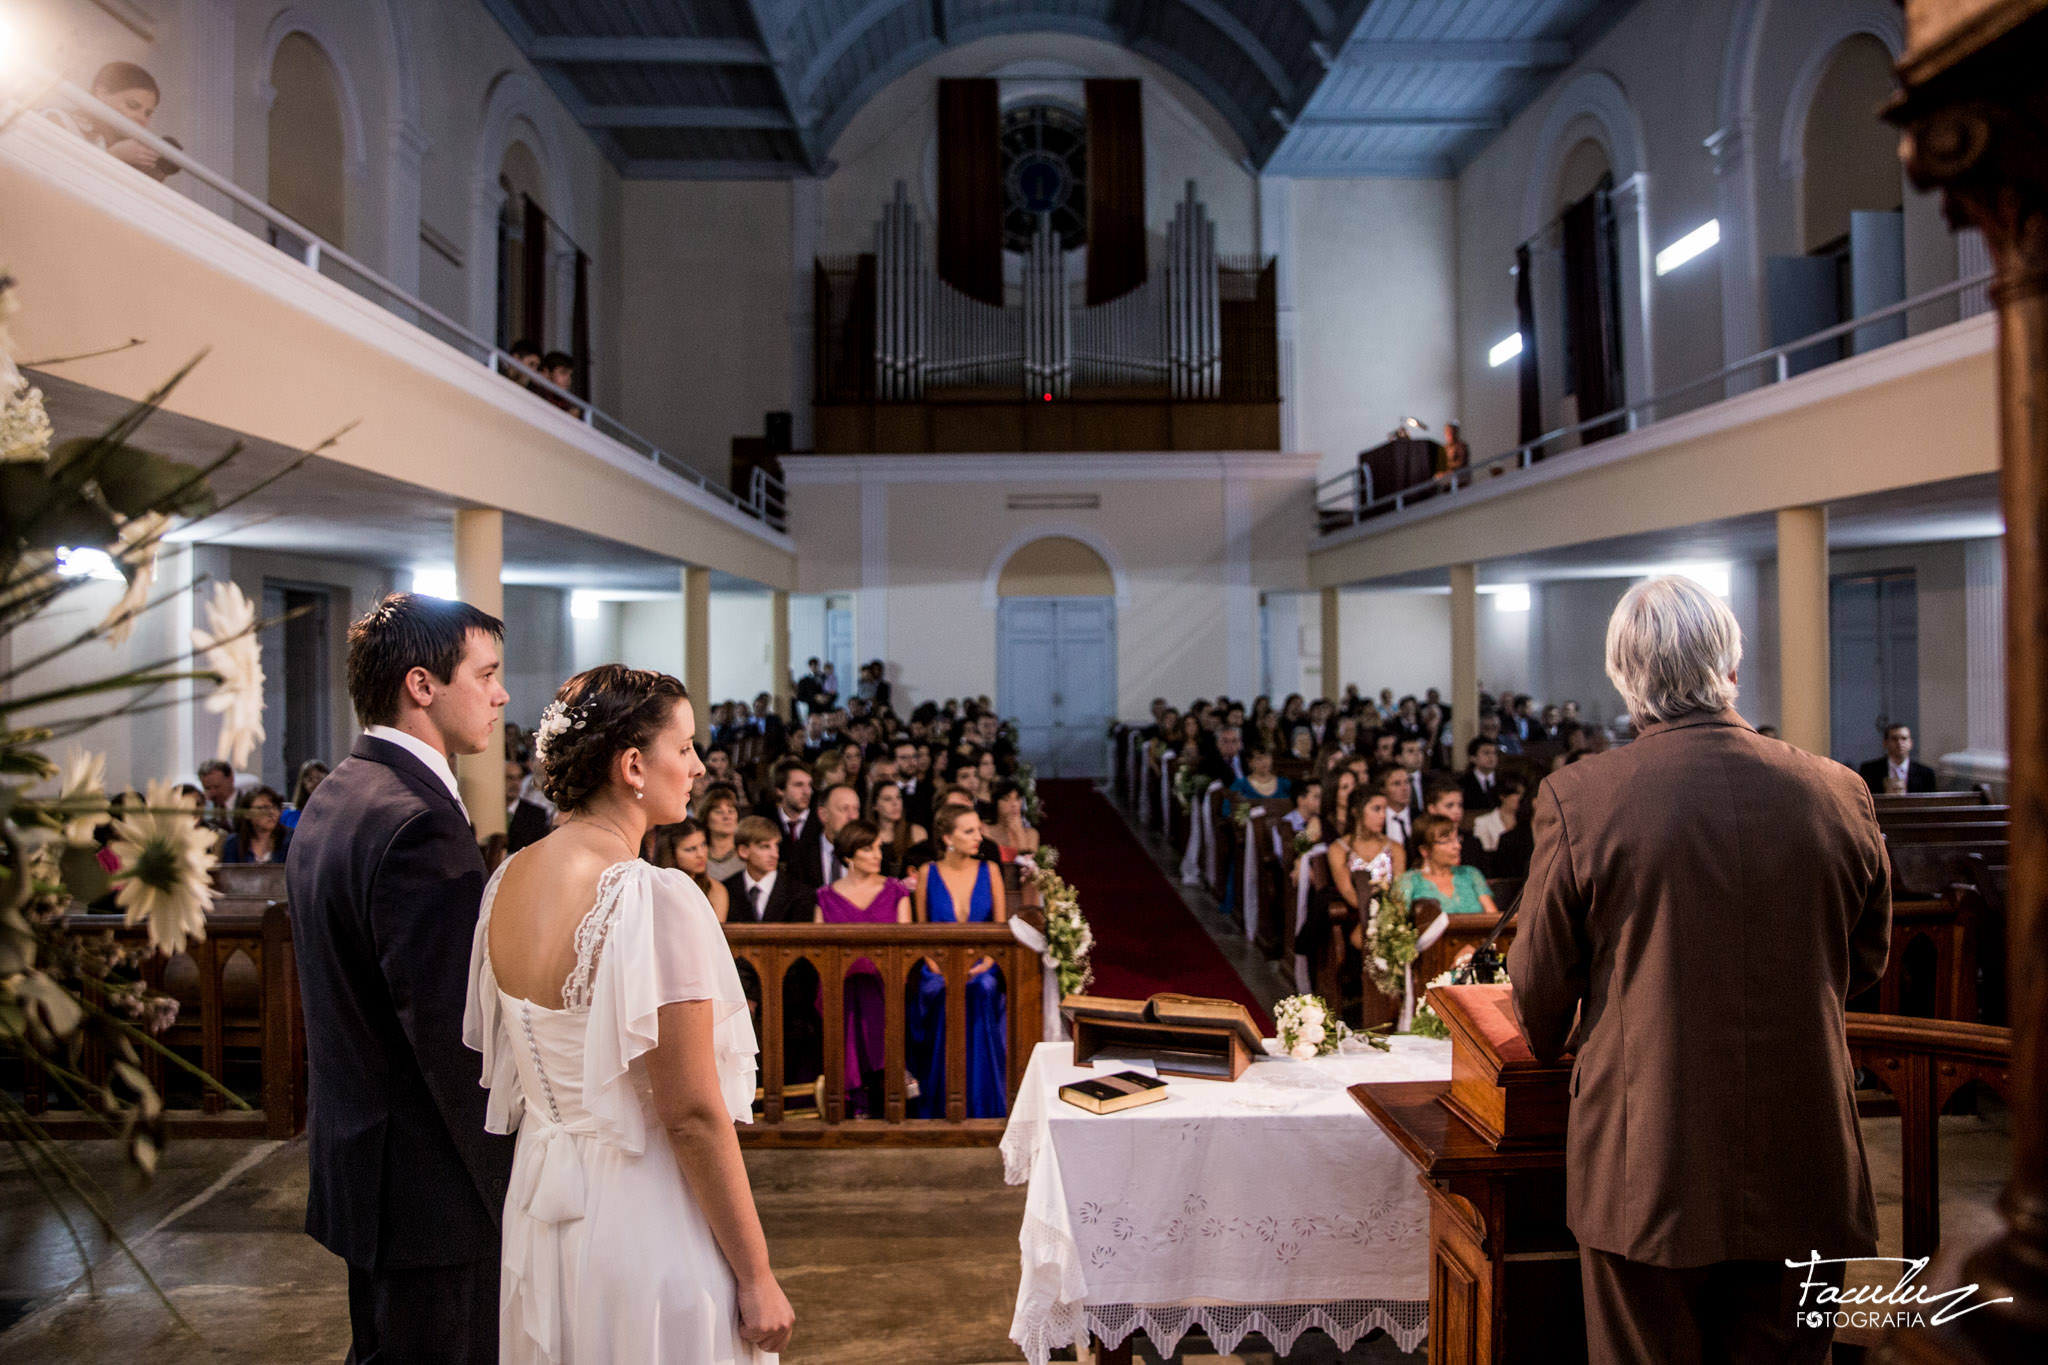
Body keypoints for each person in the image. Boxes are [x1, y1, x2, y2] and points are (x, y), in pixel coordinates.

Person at [1509, 576, 1890, 1365]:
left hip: (1648, 1157)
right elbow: (1865, 962)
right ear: (1733, 669)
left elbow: (1541, 994)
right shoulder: (1840, 791)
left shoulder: (1583, 797)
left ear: (1624, 679)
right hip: (1804, 1146)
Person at [465, 664, 793, 1360]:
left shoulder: (507, 879)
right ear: (634, 764)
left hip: (539, 1207)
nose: (699, 767)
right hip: (639, 1213)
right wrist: (758, 1272)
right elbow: (693, 1114)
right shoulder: (656, 897)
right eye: (686, 747)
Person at [288, 593, 515, 1363]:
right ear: (423, 684)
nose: (500, 693)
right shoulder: (417, 820)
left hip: (369, 1161)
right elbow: (452, 1036)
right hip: (430, 1185)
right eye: (485, 674)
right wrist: (512, 1179)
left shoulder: (339, 793)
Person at [908, 805, 1008, 1119]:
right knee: (940, 988)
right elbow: (921, 933)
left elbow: (1000, 931)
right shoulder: (928, 872)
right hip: (938, 966)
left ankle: (981, 1104)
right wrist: (936, 964)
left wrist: (988, 961)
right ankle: (940, 1101)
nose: (979, 837)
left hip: (981, 966)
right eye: (969, 831)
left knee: (980, 988)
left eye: (978, 829)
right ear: (948, 837)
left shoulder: (990, 869)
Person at [815, 819, 912, 1118]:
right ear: (848, 856)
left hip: (884, 987)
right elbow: (819, 950)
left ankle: (890, 1103)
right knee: (845, 994)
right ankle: (853, 1106)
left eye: (878, 848)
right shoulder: (825, 896)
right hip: (842, 988)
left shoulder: (896, 891)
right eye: (868, 849)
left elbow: (907, 946)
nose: (877, 855)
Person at [48, 62, 181, 182]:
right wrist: (115, 156)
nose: (142, 118)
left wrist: (156, 172)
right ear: (101, 94)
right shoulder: (58, 120)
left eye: (147, 113)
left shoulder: (132, 156)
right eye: (132, 105)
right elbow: (47, 181)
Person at [1396, 813, 1496, 918]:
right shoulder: (1408, 881)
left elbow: (1493, 918)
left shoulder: (1471, 874)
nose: (1457, 846)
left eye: (1457, 839)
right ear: (1424, 850)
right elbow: (1399, 926)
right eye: (1448, 841)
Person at [650, 817, 732, 923]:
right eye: (691, 849)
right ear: (671, 854)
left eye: (703, 845)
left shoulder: (715, 890)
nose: (701, 854)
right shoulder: (653, 887)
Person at [866, 779, 925, 877]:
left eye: (898, 797)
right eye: (887, 799)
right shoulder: (865, 835)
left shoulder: (917, 833)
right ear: (874, 805)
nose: (895, 803)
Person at [1858, 722, 1936, 795]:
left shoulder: (1926, 774)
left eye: (1904, 738)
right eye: (1894, 739)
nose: (1899, 742)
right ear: (1885, 743)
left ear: (1911, 743)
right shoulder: (1869, 770)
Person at [220, 787, 290, 864]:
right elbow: (229, 874)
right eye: (263, 808)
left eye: (275, 807)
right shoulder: (233, 843)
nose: (271, 813)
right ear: (247, 814)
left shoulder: (290, 840)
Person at [699, 784, 745, 883]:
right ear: (706, 818)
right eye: (719, 812)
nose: (726, 817)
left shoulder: (747, 856)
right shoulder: (698, 856)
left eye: (731, 811)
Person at [505, 759, 553, 854]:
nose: (515, 783)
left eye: (518, 778)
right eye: (509, 778)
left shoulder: (536, 815)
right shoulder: (488, 813)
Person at [988, 778, 1039, 859]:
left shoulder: (1031, 834)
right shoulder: (984, 830)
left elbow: (1029, 863)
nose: (1014, 804)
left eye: (1017, 799)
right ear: (995, 803)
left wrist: (1019, 833)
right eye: (1006, 799)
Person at [1459, 737, 1503, 814]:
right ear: (1472, 758)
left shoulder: (1504, 780)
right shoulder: (1462, 783)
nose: (1492, 757)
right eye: (1486, 753)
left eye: (1494, 753)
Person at [282, 759, 329, 828]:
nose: (316, 783)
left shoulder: (338, 813)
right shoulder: (290, 816)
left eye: (320, 779)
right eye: (310, 779)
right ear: (303, 784)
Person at [196, 759, 237, 832]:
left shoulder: (249, 804)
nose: (213, 793)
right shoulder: (203, 809)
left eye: (217, 786)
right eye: (207, 788)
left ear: (231, 779)